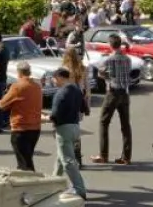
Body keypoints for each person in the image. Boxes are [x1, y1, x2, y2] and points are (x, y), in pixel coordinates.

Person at [91, 34, 133, 165]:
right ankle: (126, 157)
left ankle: (103, 155)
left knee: (104, 122)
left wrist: (106, 75)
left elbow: (100, 72)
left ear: (110, 45)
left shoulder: (108, 59)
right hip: (124, 93)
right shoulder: (127, 59)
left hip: (113, 93)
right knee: (125, 125)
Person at [45, 67, 86, 196]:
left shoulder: (61, 93)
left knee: (67, 161)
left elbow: (54, 115)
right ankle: (53, 184)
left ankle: (79, 188)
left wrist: (43, 118)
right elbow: (84, 108)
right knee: (61, 157)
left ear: (60, 78)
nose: (53, 81)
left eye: (53, 79)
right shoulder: (77, 90)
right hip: (75, 128)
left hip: (64, 129)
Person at [0, 61, 42, 170]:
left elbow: (3, 104)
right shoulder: (37, 86)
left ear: (19, 73)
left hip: (21, 128)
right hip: (35, 127)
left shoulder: (17, 86)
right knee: (26, 158)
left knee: (25, 164)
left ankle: (31, 179)